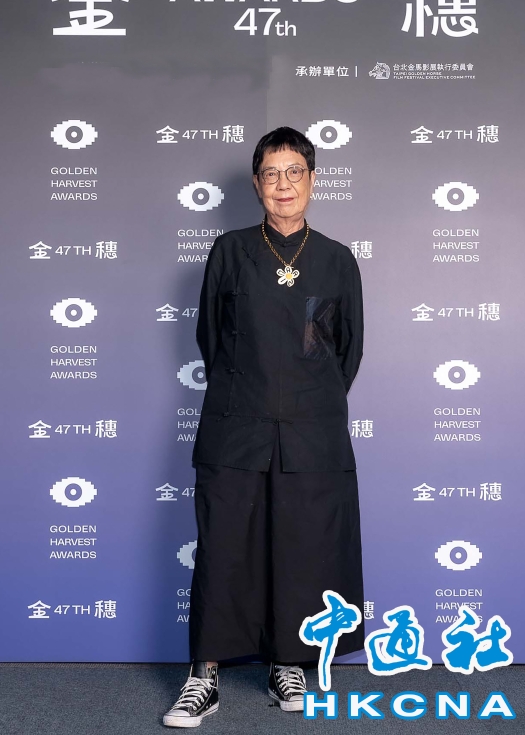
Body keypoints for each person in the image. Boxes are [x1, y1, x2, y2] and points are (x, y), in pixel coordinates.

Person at [163, 126, 365, 727]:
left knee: (303, 547)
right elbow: (211, 337)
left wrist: (307, 399)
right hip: (237, 422)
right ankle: (204, 676)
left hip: (311, 428)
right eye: (271, 173)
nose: (283, 184)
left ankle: (289, 663)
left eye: (294, 172)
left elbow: (347, 350)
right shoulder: (230, 250)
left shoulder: (336, 258)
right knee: (225, 547)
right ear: (256, 184)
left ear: (313, 180)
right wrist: (248, 394)